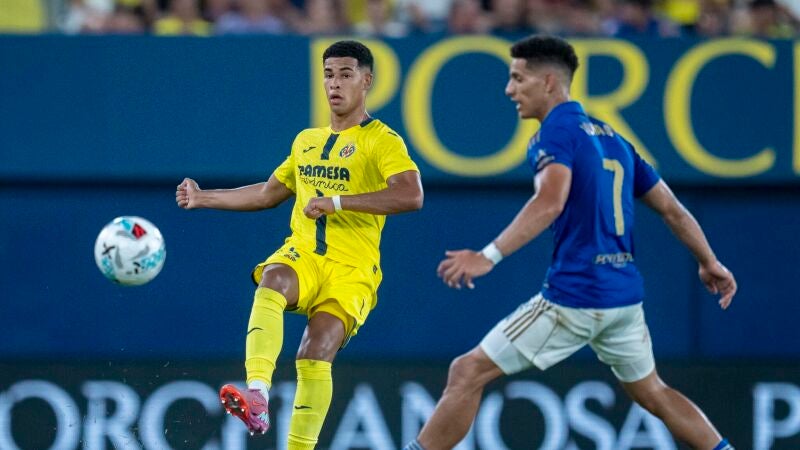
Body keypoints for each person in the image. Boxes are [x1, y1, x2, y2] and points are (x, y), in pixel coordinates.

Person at [403, 35, 737, 450]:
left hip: (577, 297)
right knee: (654, 392)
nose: (508, 90)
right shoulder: (614, 138)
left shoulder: (555, 133)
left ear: (548, 82)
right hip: (623, 298)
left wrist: (488, 256)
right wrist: (709, 261)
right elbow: (672, 209)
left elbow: (549, 201)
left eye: (517, 78)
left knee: (466, 371)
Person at [176, 40, 423, 448]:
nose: (335, 84)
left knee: (314, 352)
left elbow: (411, 195)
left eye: (345, 75)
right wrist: (204, 198)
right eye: (328, 75)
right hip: (305, 254)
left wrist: (338, 202)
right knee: (272, 279)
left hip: (353, 269)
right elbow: (268, 193)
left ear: (367, 81)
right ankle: (257, 395)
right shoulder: (306, 140)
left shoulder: (383, 141)